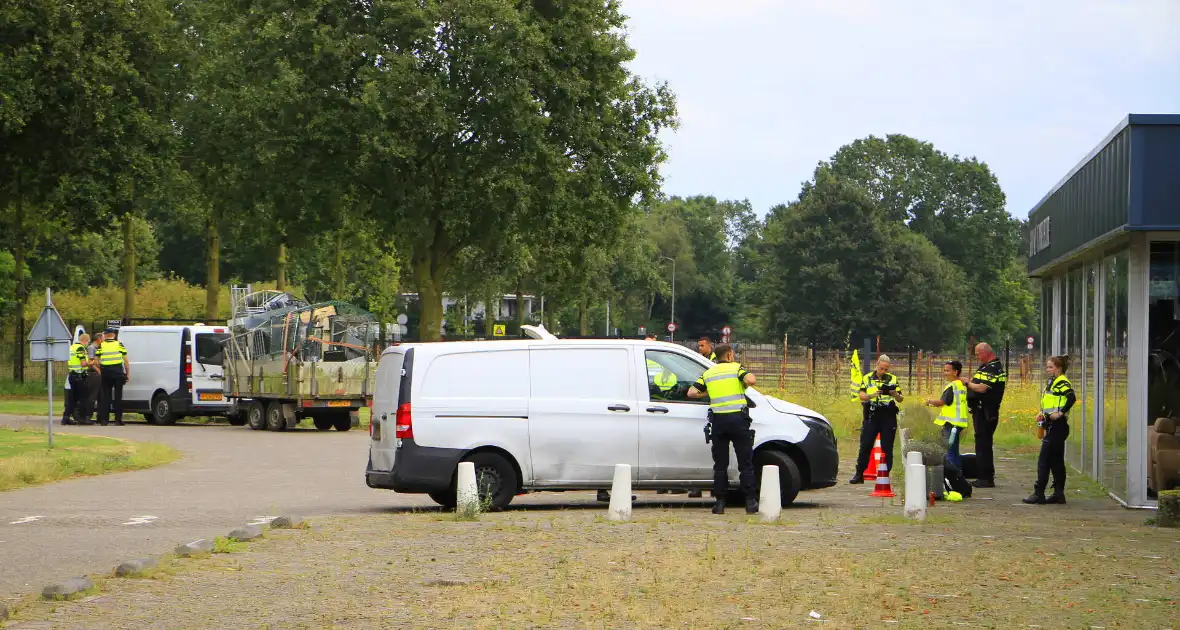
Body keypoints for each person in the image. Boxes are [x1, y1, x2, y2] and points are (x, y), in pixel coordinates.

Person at [688, 343, 758, 514]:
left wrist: (707, 393)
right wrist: (744, 383)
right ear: (730, 355)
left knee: (720, 465)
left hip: (719, 422)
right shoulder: (736, 368)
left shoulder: (708, 373)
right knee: (745, 464)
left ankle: (719, 504)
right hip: (738, 421)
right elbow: (751, 380)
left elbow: (691, 392)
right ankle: (750, 503)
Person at [1024, 355, 1075, 505]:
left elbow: (1071, 397)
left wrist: (1060, 413)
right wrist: (1043, 413)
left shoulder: (1062, 382)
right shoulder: (1052, 382)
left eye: (1051, 367)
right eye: (1047, 367)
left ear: (1059, 368)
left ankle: (1038, 493)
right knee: (1056, 460)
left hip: (1058, 426)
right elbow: (1051, 401)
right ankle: (1059, 493)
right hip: (1052, 425)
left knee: (1044, 460)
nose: (1048, 370)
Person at [849, 355, 904, 484]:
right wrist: (871, 395)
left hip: (887, 416)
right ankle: (859, 474)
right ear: (877, 365)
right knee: (865, 445)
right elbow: (861, 395)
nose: (883, 371)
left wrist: (895, 394)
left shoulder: (893, 379)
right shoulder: (867, 378)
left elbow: (901, 398)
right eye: (881, 368)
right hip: (871, 415)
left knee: (887, 446)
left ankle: (885, 474)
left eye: (886, 369)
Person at [963, 343, 1007, 488]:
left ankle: (986, 478)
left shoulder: (993, 368)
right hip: (980, 410)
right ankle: (984, 475)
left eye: (977, 354)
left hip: (987, 412)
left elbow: (982, 388)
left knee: (983, 444)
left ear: (985, 352)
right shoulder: (986, 366)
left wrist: (967, 383)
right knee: (981, 443)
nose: (976, 357)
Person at [925, 360, 969, 472]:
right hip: (958, 423)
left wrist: (930, 401)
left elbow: (942, 402)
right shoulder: (962, 385)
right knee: (954, 451)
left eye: (947, 370)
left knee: (948, 451)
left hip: (951, 423)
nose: (945, 373)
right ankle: (959, 475)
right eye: (944, 370)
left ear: (955, 372)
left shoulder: (952, 386)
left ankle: (953, 477)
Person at [96, 327, 130, 426]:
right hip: (118, 372)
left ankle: (104, 420)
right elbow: (126, 361)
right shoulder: (119, 345)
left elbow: (96, 361)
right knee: (118, 396)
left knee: (106, 396)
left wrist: (102, 368)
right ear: (114, 335)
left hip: (106, 373)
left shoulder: (101, 345)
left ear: (105, 335)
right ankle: (118, 420)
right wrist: (127, 373)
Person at [62, 333, 91, 425]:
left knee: (72, 399)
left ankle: (65, 417)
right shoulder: (80, 348)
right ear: (85, 340)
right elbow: (83, 363)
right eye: (88, 342)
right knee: (83, 398)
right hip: (79, 376)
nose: (87, 344)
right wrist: (92, 363)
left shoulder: (71, 347)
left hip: (72, 375)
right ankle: (82, 418)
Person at [81, 332, 104, 424]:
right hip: (94, 374)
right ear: (98, 339)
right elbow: (91, 362)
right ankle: (87, 416)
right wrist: (98, 371)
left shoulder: (100, 348)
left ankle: (100, 417)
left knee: (101, 397)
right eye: (102, 338)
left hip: (100, 374)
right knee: (92, 396)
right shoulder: (91, 348)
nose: (104, 340)